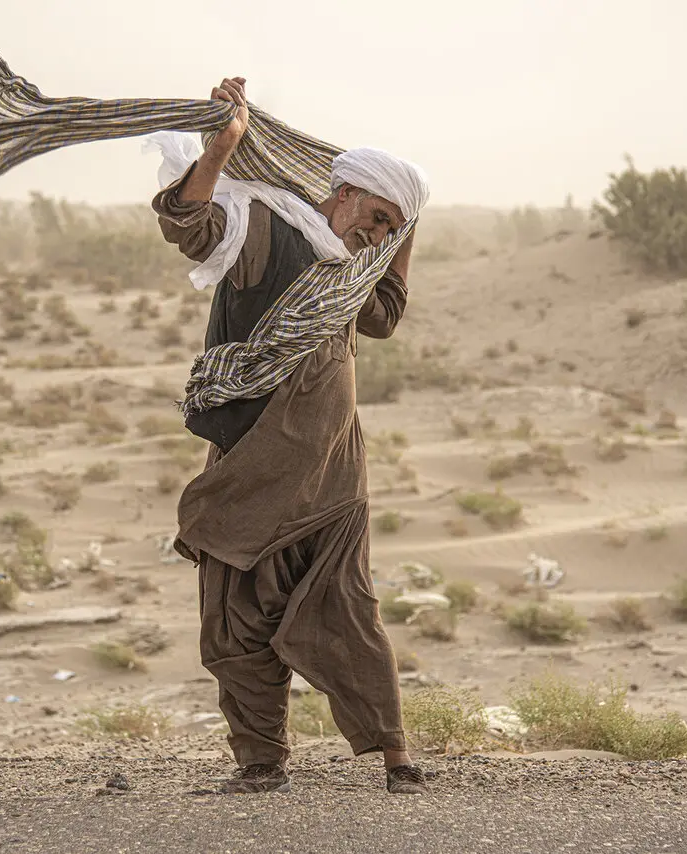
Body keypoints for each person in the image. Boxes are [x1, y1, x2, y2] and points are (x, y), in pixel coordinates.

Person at [153, 76, 430, 795]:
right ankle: (261, 763)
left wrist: (402, 238)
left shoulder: (353, 265)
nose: (375, 233)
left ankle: (397, 756)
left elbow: (384, 316)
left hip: (334, 472)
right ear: (342, 192)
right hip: (254, 466)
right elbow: (191, 223)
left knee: (348, 611)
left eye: (388, 226)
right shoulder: (268, 229)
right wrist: (222, 149)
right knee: (232, 622)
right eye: (374, 216)